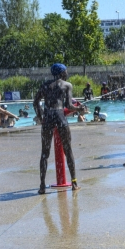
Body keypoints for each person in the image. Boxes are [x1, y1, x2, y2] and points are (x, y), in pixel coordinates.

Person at [33, 63, 80, 194]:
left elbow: (35, 102)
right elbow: (69, 106)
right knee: (68, 150)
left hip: (47, 117)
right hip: (60, 116)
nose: (67, 73)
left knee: (44, 153)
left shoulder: (44, 85)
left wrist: (40, 115)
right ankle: (74, 183)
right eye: (66, 71)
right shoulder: (66, 85)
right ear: (61, 73)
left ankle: (42, 185)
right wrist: (79, 109)